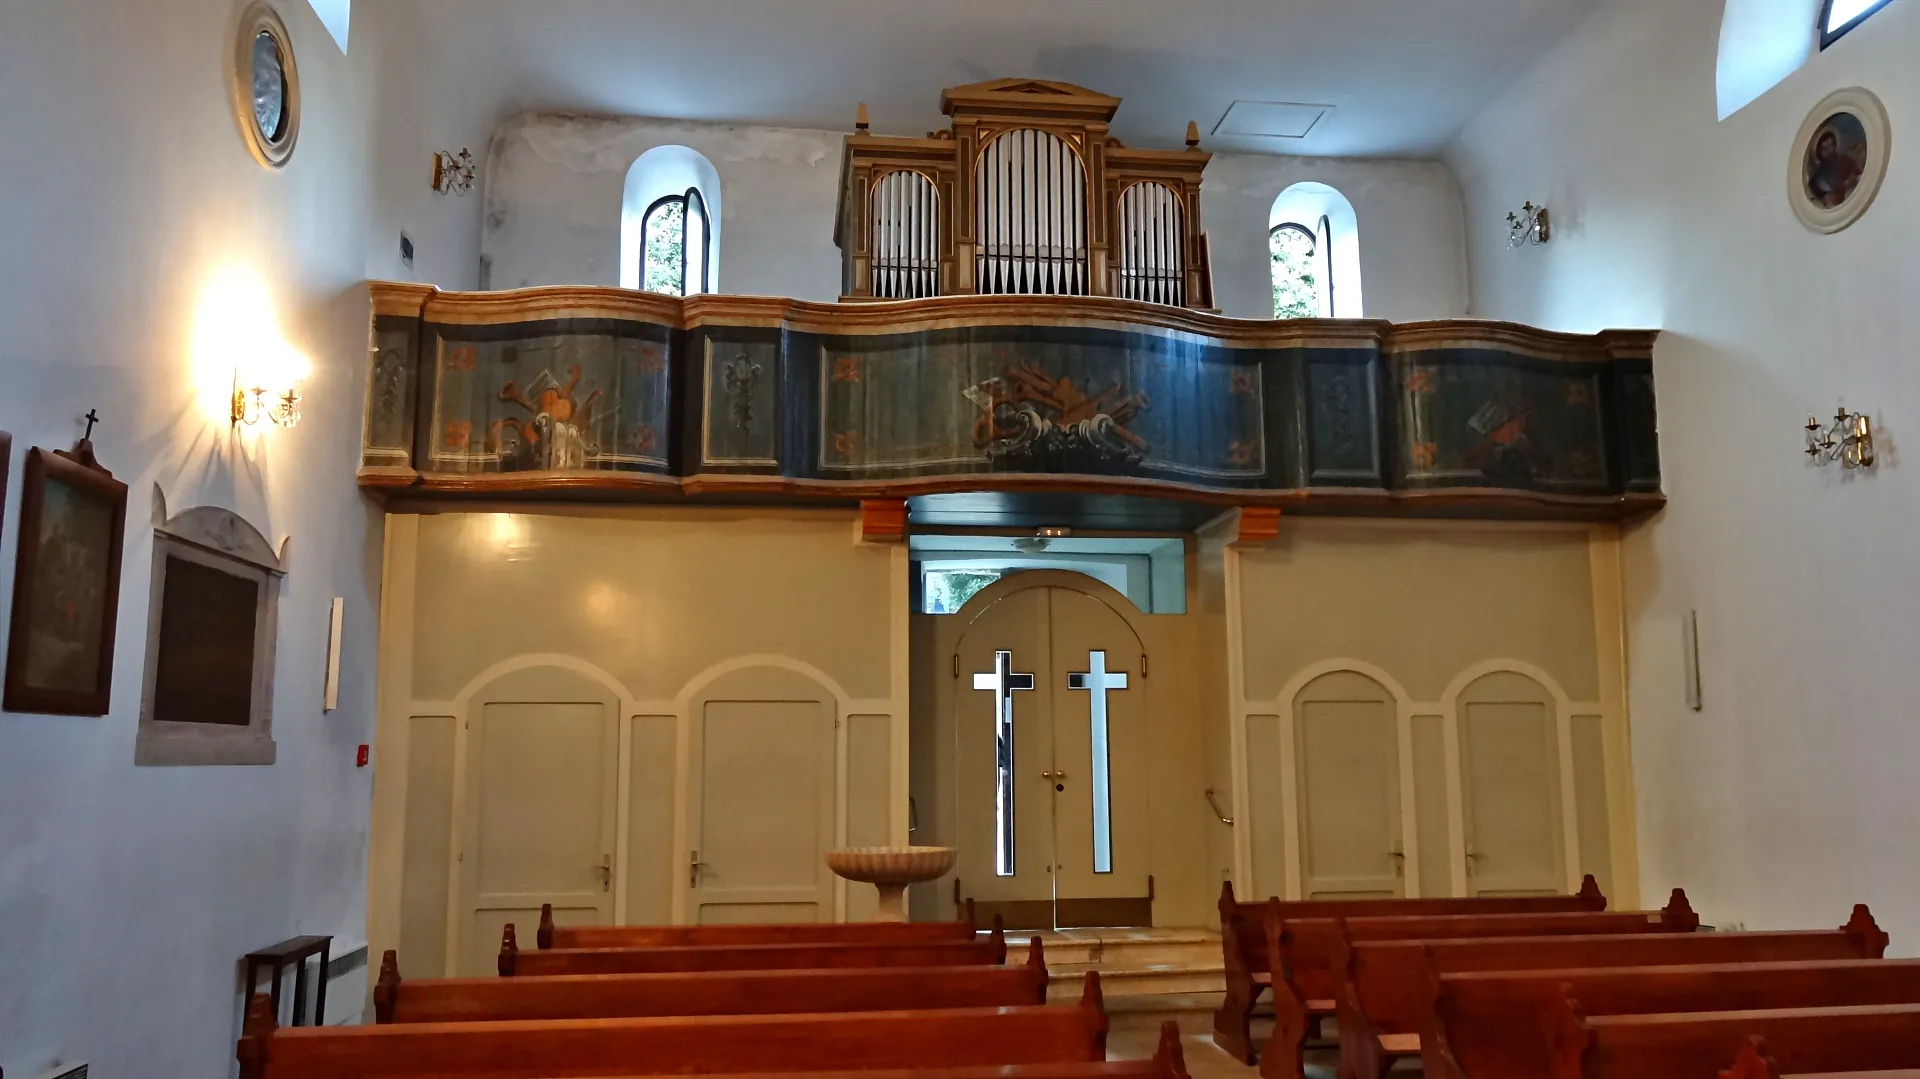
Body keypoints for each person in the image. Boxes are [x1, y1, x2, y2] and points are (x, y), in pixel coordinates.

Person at [1807, 127, 1863, 208]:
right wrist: (1844, 186)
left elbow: (1859, 178)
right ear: (1819, 152)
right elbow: (1824, 200)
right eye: (1825, 148)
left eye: (1832, 145)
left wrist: (1855, 180)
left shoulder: (1846, 160)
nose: (1830, 150)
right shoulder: (1817, 179)